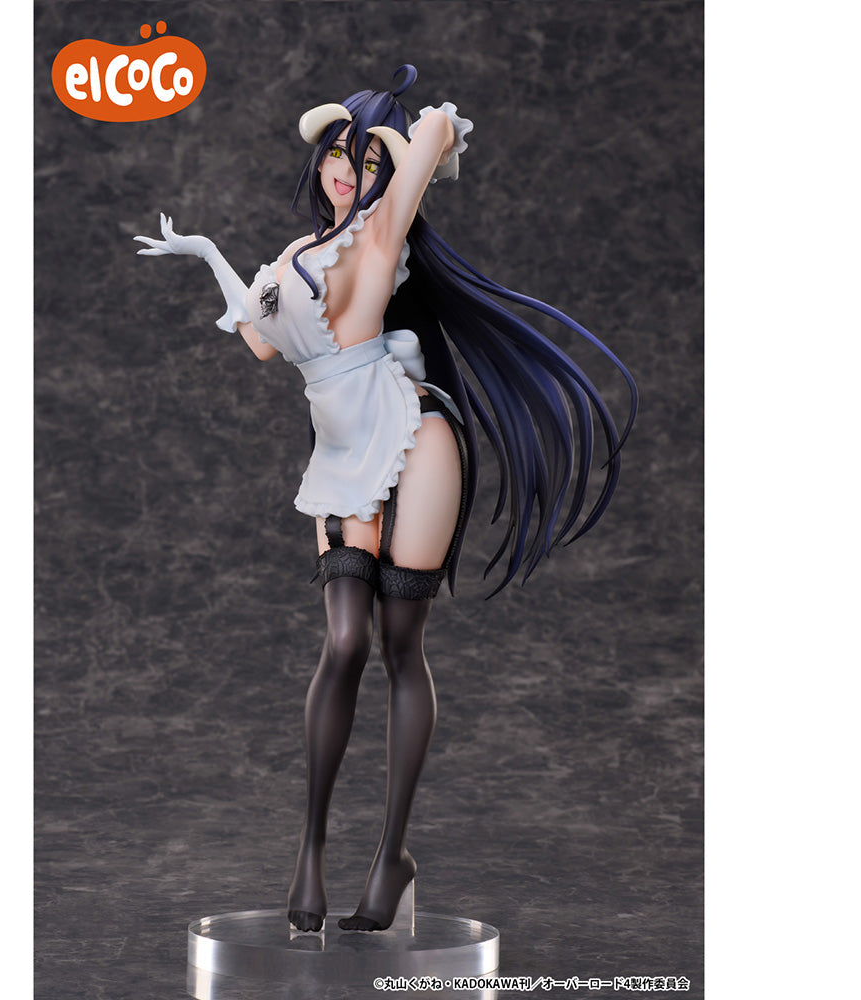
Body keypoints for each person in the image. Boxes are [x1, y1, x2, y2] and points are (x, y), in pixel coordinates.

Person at [135, 65, 636, 933]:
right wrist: (208, 253)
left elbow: (438, 129)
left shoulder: (381, 231)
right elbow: (260, 343)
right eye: (339, 153)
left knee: (401, 642)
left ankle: (392, 854)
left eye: (364, 160)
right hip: (340, 453)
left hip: (413, 430)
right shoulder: (290, 259)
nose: (347, 171)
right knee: (343, 641)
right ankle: (309, 852)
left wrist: (395, 138)